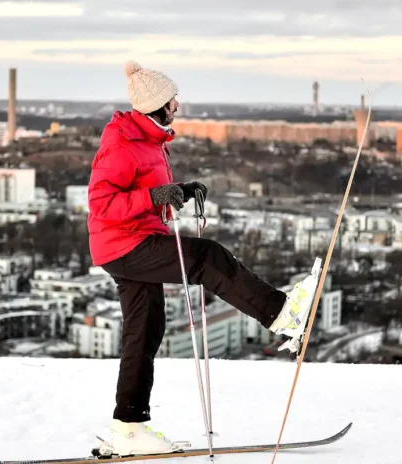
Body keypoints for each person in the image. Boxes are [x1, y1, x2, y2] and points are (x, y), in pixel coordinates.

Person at [86, 60, 316, 456]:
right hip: (125, 243)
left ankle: (128, 427)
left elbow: (146, 187)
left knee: (145, 330)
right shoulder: (123, 144)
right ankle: (282, 314)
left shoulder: (147, 139)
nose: (178, 105)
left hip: (131, 240)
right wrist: (154, 197)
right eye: (173, 100)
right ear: (158, 105)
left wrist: (178, 189)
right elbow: (100, 203)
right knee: (207, 257)